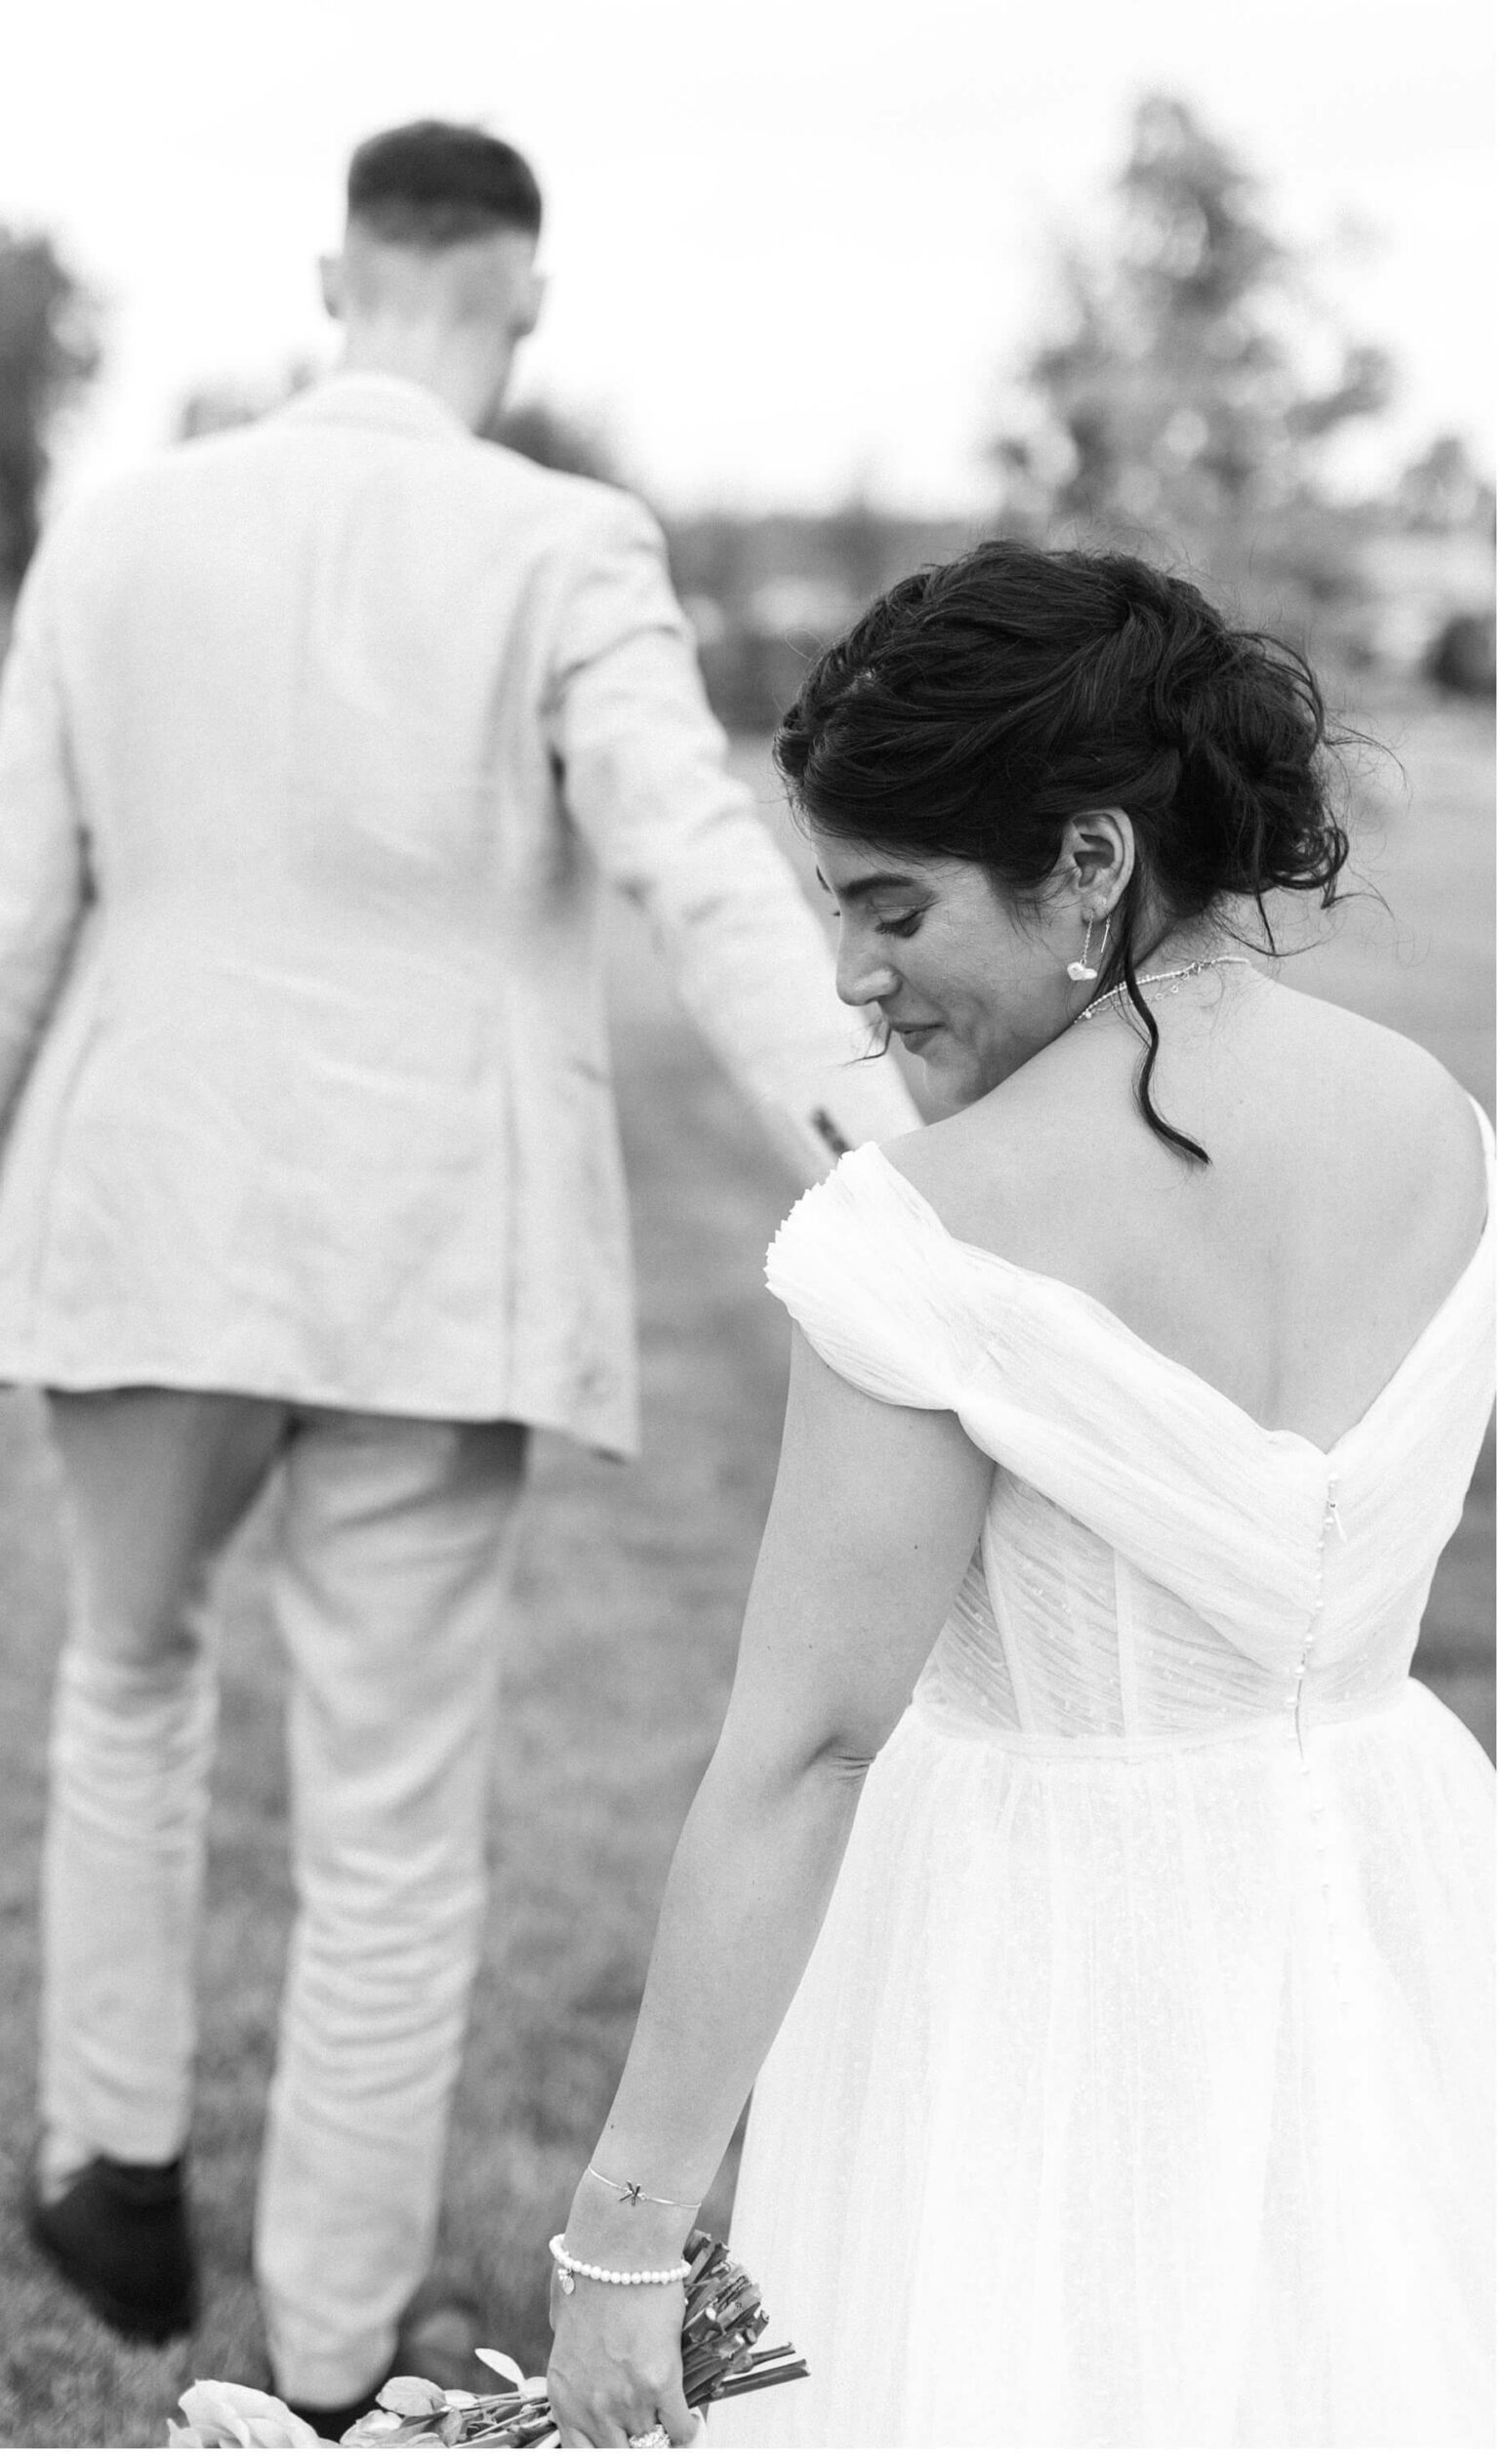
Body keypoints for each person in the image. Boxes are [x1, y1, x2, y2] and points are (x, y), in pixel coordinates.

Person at [0, 121, 919, 2435]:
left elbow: (0, 930)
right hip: (432, 1250)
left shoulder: (122, 534)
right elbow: (702, 872)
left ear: (330, 273)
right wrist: (889, 1147)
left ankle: (110, 2177)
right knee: (390, 1813)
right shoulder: (563, 541)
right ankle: (333, 2349)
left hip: (139, 1213)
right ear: (519, 301)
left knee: (121, 1681)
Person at [545, 543, 1494, 2449]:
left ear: (1085, 862)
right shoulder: (1444, 1125)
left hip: (1042, 1972)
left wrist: (626, 2230)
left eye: (891, 906)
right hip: (1404, 1911)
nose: (848, 975)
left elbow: (808, 1746)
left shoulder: (925, 1230)